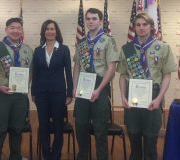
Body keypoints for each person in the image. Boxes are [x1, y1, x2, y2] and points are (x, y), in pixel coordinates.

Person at [117, 12, 177, 160]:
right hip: (132, 98)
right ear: (134, 28)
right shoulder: (126, 49)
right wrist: (123, 97)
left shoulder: (163, 47)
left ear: (151, 27)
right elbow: (123, 75)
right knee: (134, 140)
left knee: (151, 143)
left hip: (153, 97)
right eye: (138, 25)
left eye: (145, 24)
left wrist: (159, 99)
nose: (141, 28)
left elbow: (166, 76)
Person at [73, 8, 119, 160]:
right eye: (88, 19)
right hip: (83, 85)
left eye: (94, 18)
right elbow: (77, 67)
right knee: (80, 125)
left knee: (100, 129)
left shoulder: (108, 40)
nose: (90, 21)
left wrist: (99, 90)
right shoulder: (82, 43)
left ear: (100, 21)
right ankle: (83, 156)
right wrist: (74, 87)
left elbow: (112, 68)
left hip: (100, 84)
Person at [0, 17, 33, 160]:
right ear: (6, 29)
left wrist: (26, 86)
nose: (15, 30)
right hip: (2, 95)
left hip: (20, 96)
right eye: (12, 27)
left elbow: (30, 71)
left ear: (22, 30)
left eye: (18, 28)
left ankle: (16, 157)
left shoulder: (27, 50)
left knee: (17, 130)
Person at [31, 19, 73, 160]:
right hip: (41, 93)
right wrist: (33, 92)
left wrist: (69, 92)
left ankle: (56, 155)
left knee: (58, 125)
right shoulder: (37, 50)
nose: (49, 31)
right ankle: (46, 155)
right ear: (44, 32)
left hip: (58, 93)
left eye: (52, 29)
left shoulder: (64, 49)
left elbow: (68, 72)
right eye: (47, 29)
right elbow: (35, 73)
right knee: (43, 125)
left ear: (56, 32)